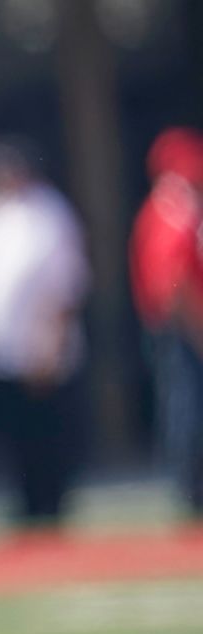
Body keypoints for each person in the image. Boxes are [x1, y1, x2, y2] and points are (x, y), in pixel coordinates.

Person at [0, 138, 90, 524]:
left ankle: (52, 506)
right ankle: (29, 505)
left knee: (47, 436)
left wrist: (49, 344)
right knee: (15, 437)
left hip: (41, 351)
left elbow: (63, 283)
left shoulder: (48, 211)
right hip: (4, 354)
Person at [129, 127, 203, 516]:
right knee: (187, 408)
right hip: (178, 330)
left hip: (177, 328)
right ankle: (192, 490)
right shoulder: (172, 209)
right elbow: (174, 288)